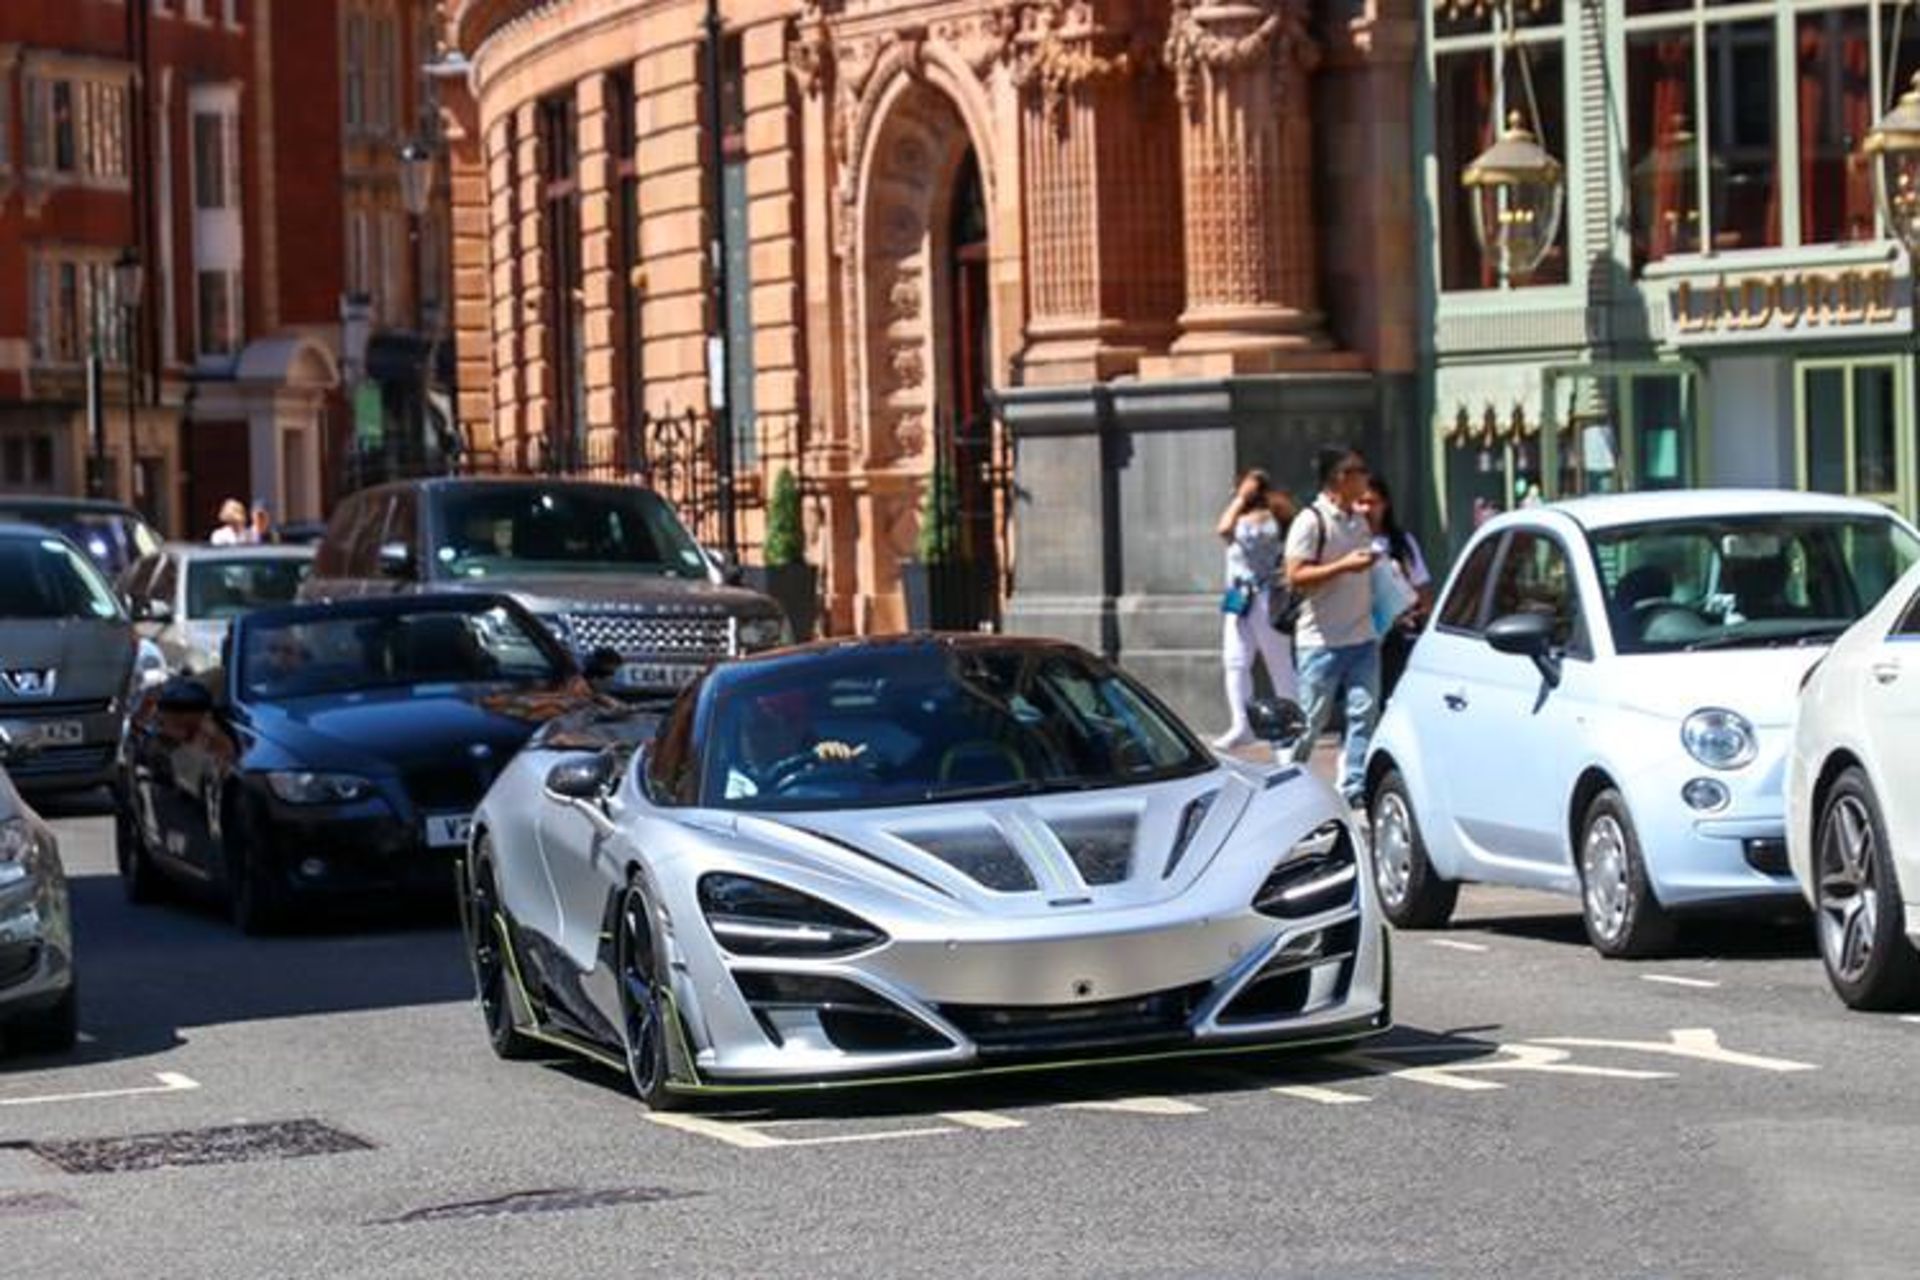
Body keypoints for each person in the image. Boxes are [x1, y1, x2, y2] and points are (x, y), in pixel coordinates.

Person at [1285, 445, 1381, 806]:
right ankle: (1286, 781)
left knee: (1364, 713)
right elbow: (1295, 576)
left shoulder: (1360, 520)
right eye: (1360, 471)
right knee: (1310, 721)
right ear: (1340, 477)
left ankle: (1353, 787)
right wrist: (1344, 566)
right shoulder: (1311, 521)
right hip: (1320, 641)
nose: (1367, 478)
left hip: (1362, 636)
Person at [1212, 469, 1298, 750]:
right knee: (1235, 662)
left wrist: (1256, 493)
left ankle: (1291, 723)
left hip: (1269, 596)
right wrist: (1240, 499)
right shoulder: (1236, 516)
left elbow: (1290, 531)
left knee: (1279, 662)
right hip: (1238, 598)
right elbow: (1223, 528)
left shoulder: (1276, 514)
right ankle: (1242, 725)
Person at [1361, 475, 1434, 701]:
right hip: (1359, 635)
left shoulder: (1401, 542)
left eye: (1372, 502)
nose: (1366, 509)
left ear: (1385, 504)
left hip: (1395, 636)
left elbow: (1422, 588)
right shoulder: (1348, 542)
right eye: (1361, 502)